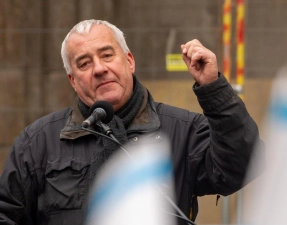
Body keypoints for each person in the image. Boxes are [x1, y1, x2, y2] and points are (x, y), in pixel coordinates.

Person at [0, 19, 264, 225]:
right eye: (84, 63)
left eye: (107, 55)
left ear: (129, 61)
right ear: (73, 80)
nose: (99, 68)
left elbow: (243, 166)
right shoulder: (37, 142)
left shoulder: (183, 130)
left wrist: (213, 87)